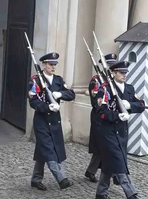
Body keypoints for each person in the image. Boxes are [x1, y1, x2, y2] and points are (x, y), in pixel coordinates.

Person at [94, 61, 145, 199]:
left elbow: (141, 105)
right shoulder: (105, 89)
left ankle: (101, 192)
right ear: (113, 73)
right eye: (121, 72)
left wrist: (130, 105)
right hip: (108, 131)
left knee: (111, 162)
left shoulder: (129, 89)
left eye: (125, 73)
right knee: (118, 161)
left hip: (122, 131)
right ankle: (131, 195)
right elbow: (101, 112)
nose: (124, 75)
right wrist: (116, 116)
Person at [28, 52, 75, 190]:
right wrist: (46, 106)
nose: (53, 67)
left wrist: (60, 94)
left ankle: (36, 179)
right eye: (50, 64)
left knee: (44, 148)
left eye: (55, 65)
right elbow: (33, 101)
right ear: (44, 64)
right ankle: (62, 179)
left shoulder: (58, 80)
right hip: (41, 120)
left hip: (55, 120)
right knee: (49, 150)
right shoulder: (36, 80)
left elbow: (71, 94)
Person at [84, 53, 117, 183]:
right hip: (100, 116)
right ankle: (115, 174)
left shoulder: (113, 80)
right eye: (109, 64)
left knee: (108, 146)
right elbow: (95, 101)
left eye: (113, 65)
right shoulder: (96, 80)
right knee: (102, 146)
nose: (111, 67)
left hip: (112, 116)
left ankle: (92, 171)